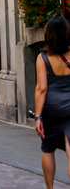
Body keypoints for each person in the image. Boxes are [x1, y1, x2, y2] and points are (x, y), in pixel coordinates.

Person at [34, 15, 70, 188]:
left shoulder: (43, 58)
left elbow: (41, 88)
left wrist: (38, 117)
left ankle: (50, 187)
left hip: (51, 109)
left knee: (48, 149)